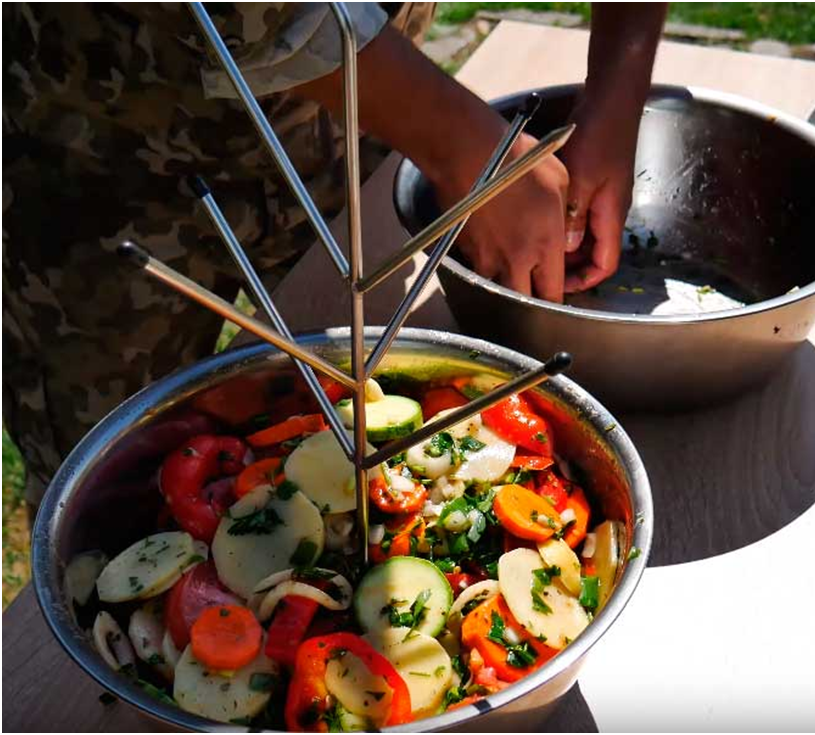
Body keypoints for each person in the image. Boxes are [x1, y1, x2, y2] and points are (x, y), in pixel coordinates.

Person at [0, 0, 666, 512]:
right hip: (96, 148)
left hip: (352, 115)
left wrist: (616, 95)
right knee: (109, 486)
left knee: (370, 436)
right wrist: (460, 144)